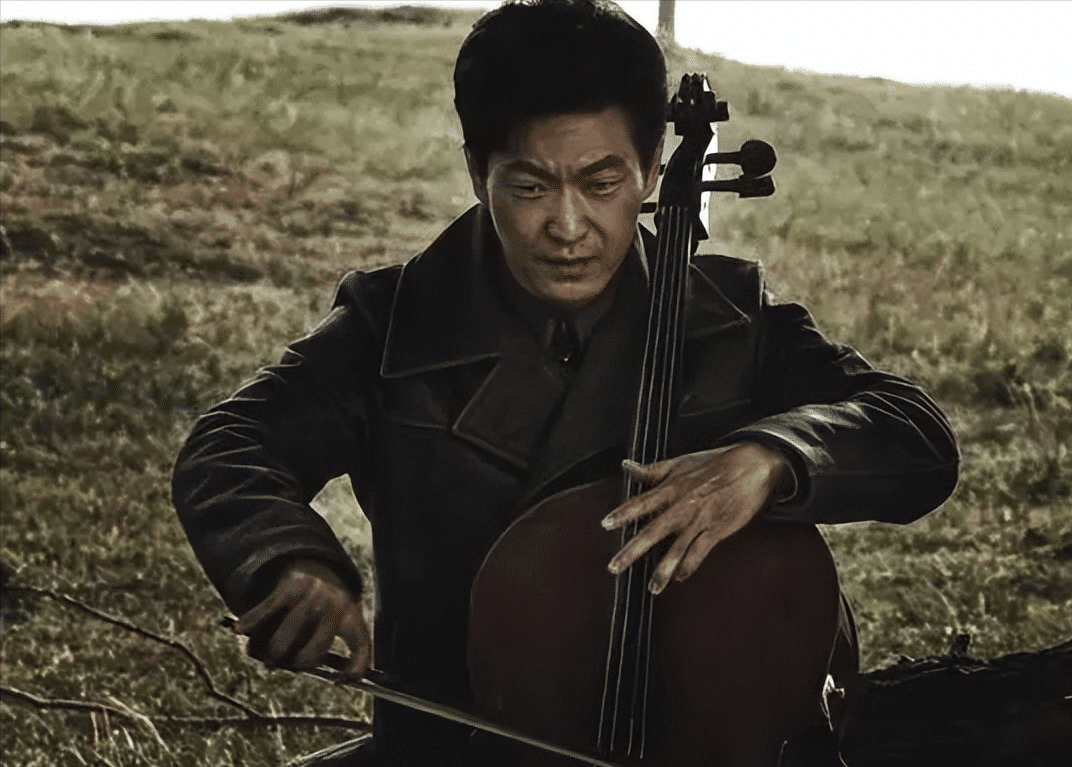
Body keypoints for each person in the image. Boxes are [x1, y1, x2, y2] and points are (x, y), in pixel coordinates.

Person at [172, 1, 959, 764]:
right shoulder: (394, 322)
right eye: (530, 186)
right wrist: (292, 560)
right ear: (478, 171)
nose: (569, 225)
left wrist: (773, 458)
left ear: (652, 170)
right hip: (460, 749)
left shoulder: (730, 322)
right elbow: (233, 444)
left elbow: (914, 431)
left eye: (602, 182)